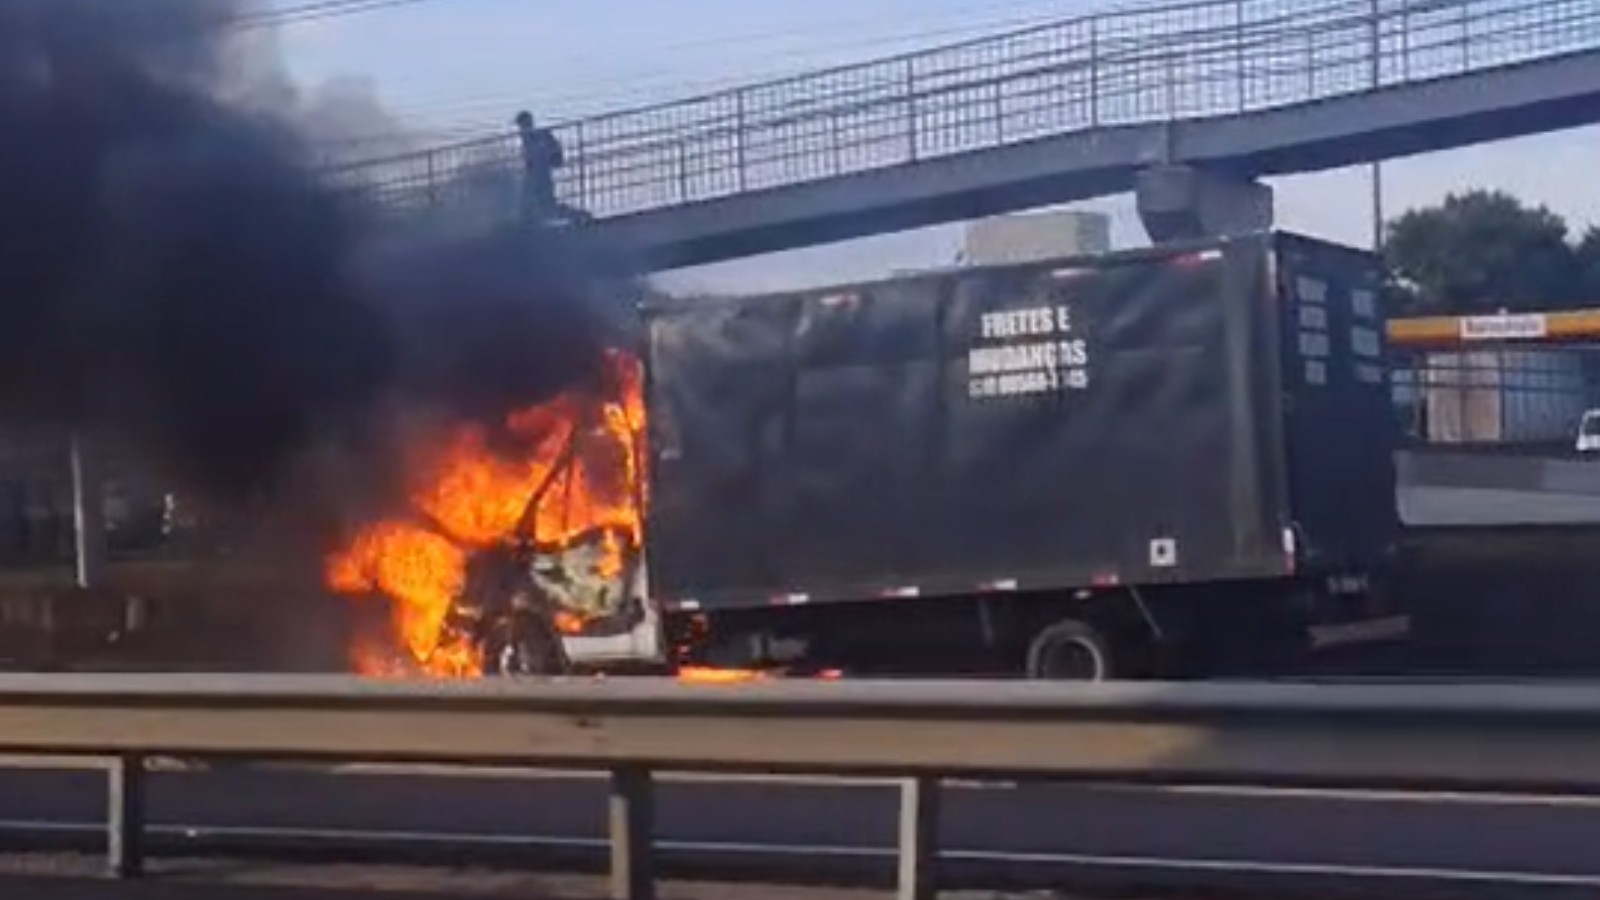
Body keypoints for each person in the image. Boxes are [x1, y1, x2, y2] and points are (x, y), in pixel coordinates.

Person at [514, 110, 564, 223]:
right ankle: (543, 217)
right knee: (539, 196)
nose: (520, 129)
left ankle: (545, 218)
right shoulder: (530, 136)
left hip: (540, 171)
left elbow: (545, 151)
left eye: (521, 125)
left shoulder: (535, 135)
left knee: (539, 195)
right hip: (539, 171)